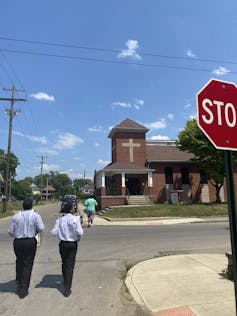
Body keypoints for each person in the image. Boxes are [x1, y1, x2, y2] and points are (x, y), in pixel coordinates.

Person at [8, 197, 45, 299]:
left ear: (23, 206)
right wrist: (34, 230)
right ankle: (23, 290)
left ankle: (19, 283)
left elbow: (10, 231)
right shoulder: (35, 216)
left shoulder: (16, 216)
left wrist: (18, 234)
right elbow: (41, 228)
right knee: (27, 264)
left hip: (18, 242)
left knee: (19, 261)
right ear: (32, 205)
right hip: (30, 241)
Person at [51, 202, 83, 297]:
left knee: (64, 263)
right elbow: (80, 232)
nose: (74, 209)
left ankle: (65, 281)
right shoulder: (75, 219)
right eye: (73, 207)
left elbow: (53, 232)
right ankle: (67, 288)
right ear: (70, 209)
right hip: (72, 244)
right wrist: (76, 231)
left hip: (63, 244)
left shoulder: (60, 220)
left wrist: (62, 232)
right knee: (70, 265)